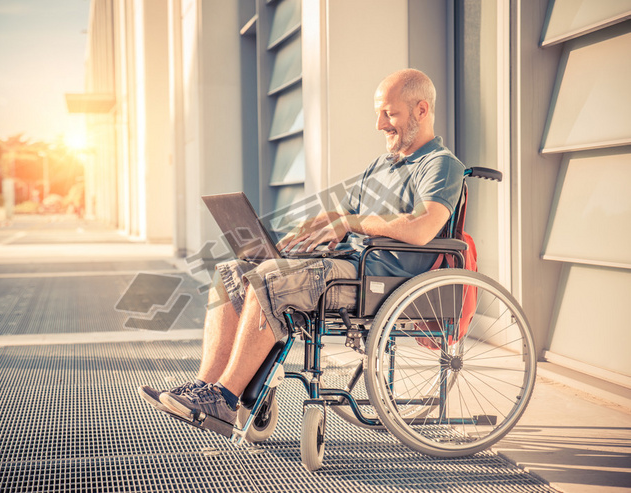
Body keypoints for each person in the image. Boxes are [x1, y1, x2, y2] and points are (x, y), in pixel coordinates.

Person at [138, 68, 466, 427]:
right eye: (379, 113)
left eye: (390, 113)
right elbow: (349, 217)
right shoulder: (383, 165)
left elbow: (422, 228)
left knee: (268, 278)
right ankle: (205, 389)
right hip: (349, 263)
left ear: (421, 110)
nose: (379, 124)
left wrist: (350, 223)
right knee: (233, 272)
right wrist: (322, 225)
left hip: (378, 278)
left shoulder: (441, 165)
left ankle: (227, 399)